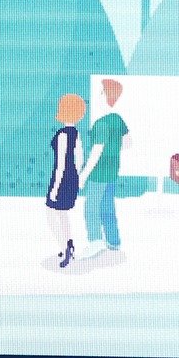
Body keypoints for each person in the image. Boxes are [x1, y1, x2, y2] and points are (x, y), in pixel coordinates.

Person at [82, 78, 129, 256]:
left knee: (91, 208)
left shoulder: (100, 124)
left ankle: (95, 242)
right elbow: (128, 142)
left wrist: (83, 175)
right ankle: (114, 241)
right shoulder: (117, 119)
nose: (98, 95)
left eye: (101, 92)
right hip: (112, 172)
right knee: (108, 206)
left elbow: (96, 152)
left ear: (106, 95)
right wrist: (113, 149)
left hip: (98, 174)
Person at [46, 93, 86, 268]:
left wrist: (55, 188)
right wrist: (75, 176)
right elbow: (80, 159)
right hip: (72, 178)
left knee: (51, 214)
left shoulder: (62, 135)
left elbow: (61, 164)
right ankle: (69, 245)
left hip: (61, 179)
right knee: (63, 214)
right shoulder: (76, 134)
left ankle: (65, 248)